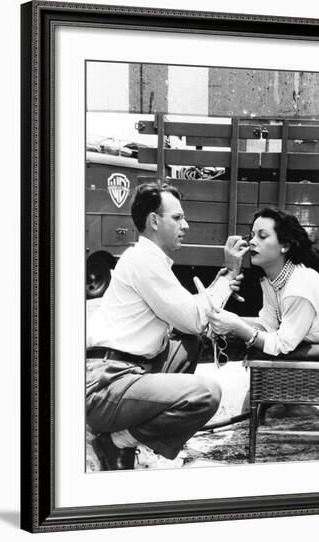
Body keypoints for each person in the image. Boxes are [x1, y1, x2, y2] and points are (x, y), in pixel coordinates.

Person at [86, 182, 248, 470]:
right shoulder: (145, 262)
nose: (185, 225)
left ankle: (131, 443)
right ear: (154, 221)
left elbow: (189, 314)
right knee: (206, 394)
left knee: (188, 343)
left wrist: (221, 282)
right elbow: (196, 319)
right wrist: (227, 277)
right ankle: (117, 442)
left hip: (126, 371)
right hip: (107, 385)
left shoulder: (148, 259)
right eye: (177, 218)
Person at [207, 207, 319, 356]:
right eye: (252, 236)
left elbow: (281, 345)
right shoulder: (271, 279)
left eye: (262, 236)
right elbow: (268, 325)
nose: (252, 242)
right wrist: (226, 319)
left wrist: (236, 325)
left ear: (285, 245)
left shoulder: (299, 287)